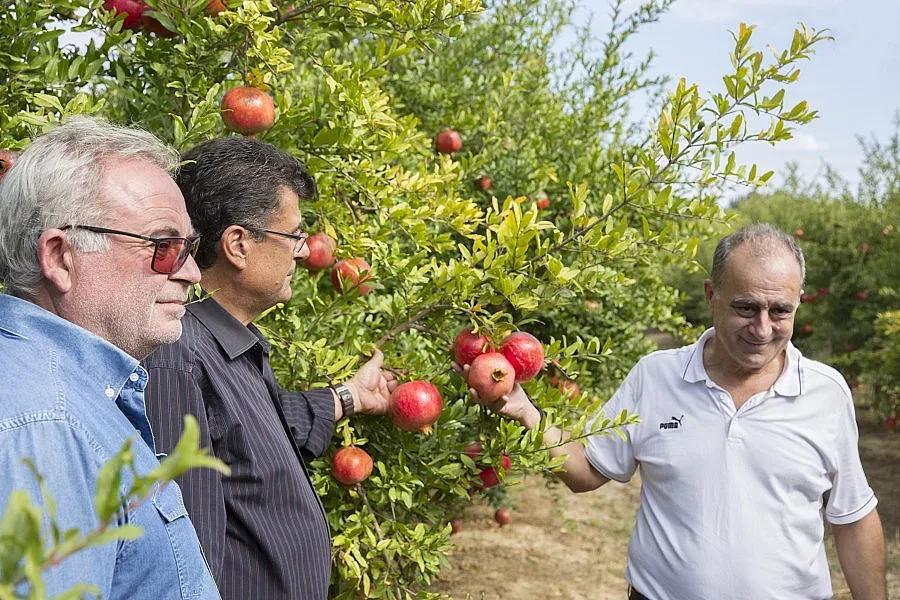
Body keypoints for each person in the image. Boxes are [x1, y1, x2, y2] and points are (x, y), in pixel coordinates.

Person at [465, 223, 887, 600]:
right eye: (746, 308)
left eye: (780, 311)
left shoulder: (825, 393)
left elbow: (852, 516)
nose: (762, 329)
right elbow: (586, 471)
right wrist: (528, 414)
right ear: (711, 296)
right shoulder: (656, 377)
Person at [142, 136, 397, 599]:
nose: (303, 251)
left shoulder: (234, 348)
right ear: (238, 244)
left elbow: (259, 439)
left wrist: (350, 397)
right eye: (293, 235)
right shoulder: (179, 359)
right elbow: (188, 552)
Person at [0, 117, 220, 599]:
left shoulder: (72, 396)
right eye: (162, 246)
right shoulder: (48, 424)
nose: (192, 273)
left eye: (190, 247)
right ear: (60, 257)